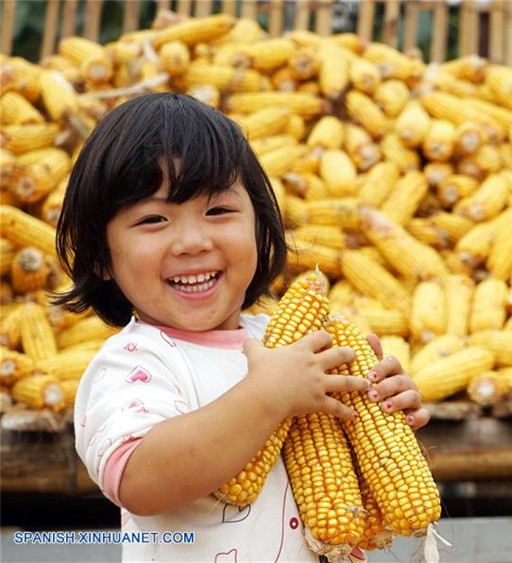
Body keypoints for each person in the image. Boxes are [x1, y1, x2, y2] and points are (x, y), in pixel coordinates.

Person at [55, 92, 430, 562]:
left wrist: (380, 416)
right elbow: (140, 482)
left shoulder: (282, 344)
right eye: (154, 219)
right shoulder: (135, 365)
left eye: (218, 211)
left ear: (260, 226)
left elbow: (339, 492)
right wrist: (269, 396)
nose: (192, 241)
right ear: (100, 257)